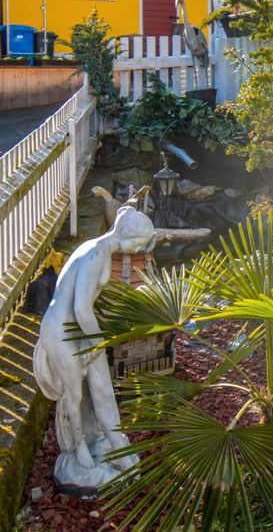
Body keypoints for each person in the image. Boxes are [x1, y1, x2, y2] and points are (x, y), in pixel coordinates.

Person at [33, 206, 156, 494]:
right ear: (129, 237)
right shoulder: (96, 254)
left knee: (102, 389)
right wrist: (95, 342)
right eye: (140, 243)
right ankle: (79, 449)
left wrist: (93, 343)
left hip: (77, 328)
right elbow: (80, 306)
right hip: (62, 330)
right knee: (74, 393)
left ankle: (111, 444)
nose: (138, 250)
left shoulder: (97, 247)